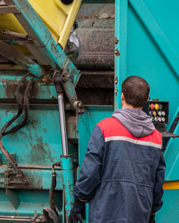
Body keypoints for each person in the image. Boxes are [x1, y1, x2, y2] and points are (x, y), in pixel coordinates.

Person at [69, 76, 165, 223]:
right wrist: (151, 213)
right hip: (139, 213)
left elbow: (90, 171)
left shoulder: (104, 128)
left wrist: (79, 200)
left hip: (105, 213)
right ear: (147, 100)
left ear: (122, 96)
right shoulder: (157, 138)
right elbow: (157, 182)